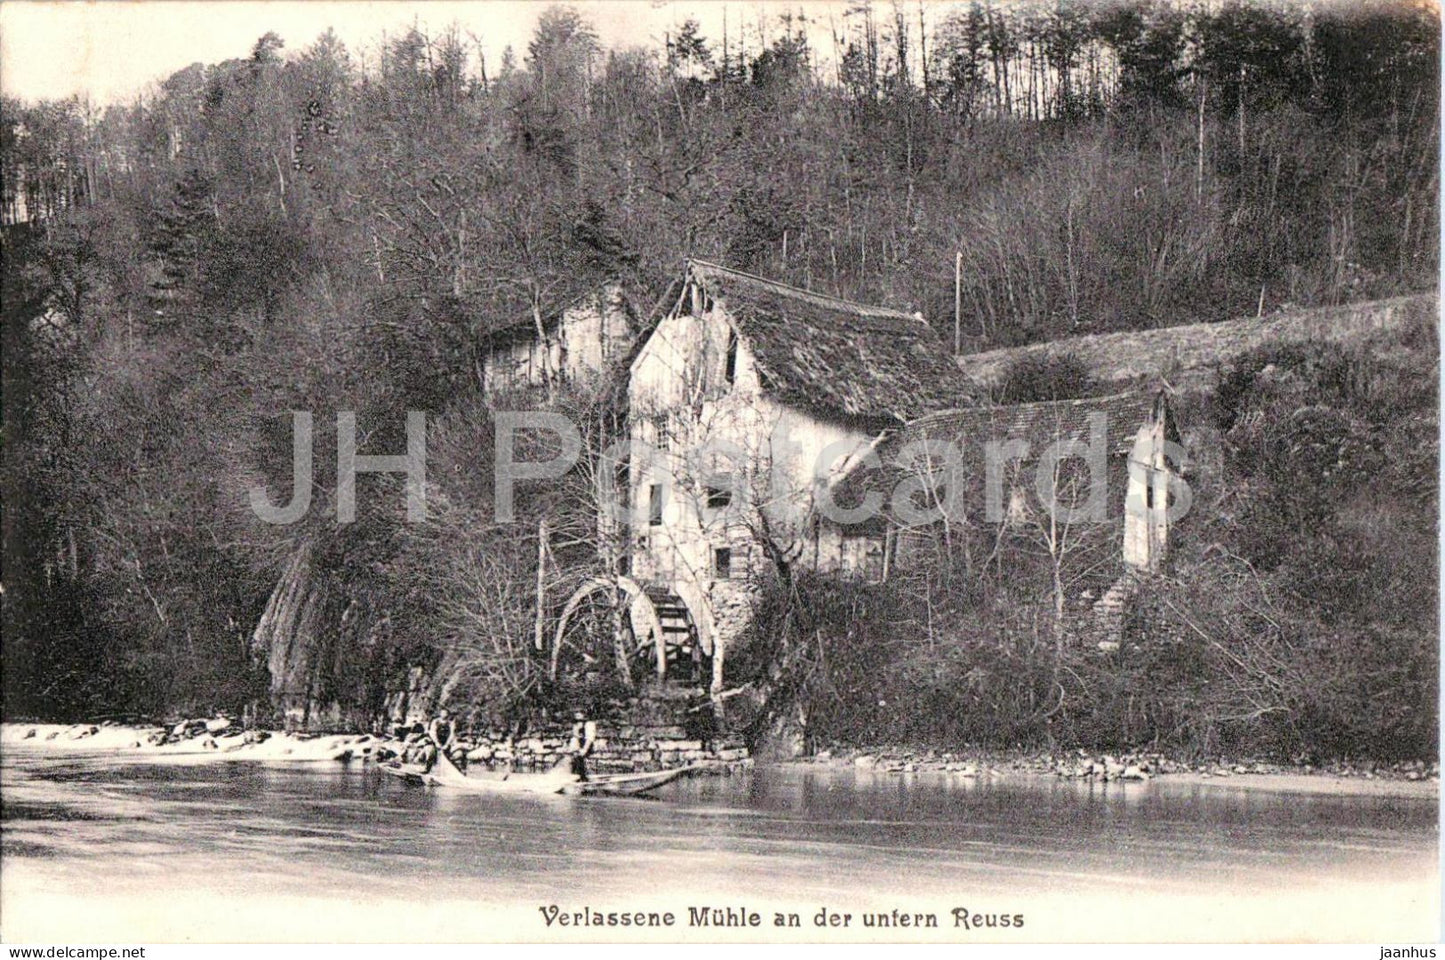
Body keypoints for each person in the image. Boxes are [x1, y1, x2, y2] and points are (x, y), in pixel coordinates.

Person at [422, 708, 456, 773]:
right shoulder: (435, 721)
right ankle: (427, 769)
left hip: (445, 742)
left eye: (446, 713)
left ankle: (446, 772)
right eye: (442, 713)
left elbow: (452, 734)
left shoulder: (450, 723)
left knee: (449, 756)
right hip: (434, 741)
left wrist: (447, 744)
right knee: (431, 752)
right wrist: (436, 743)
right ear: (440, 714)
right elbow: (433, 732)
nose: (444, 715)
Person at [567, 710, 597, 780]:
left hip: (587, 745)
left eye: (579, 715)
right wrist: (573, 747)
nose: (577, 717)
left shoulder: (589, 724)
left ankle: (583, 777)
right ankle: (576, 775)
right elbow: (575, 736)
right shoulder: (576, 725)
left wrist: (584, 749)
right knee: (574, 757)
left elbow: (590, 739)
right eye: (576, 715)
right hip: (578, 744)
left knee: (580, 757)